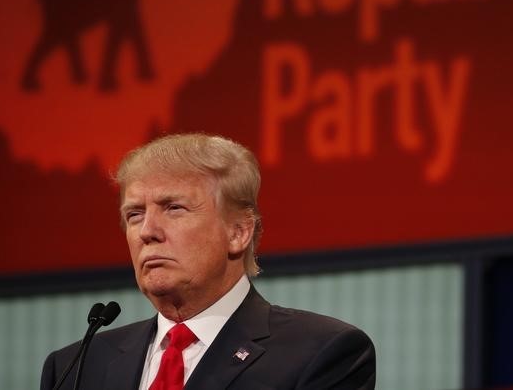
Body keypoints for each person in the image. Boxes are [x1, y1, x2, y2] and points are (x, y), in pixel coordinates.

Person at [40, 133, 376, 390]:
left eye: (174, 208)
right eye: (135, 214)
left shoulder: (320, 352)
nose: (148, 231)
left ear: (238, 233)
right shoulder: (75, 368)